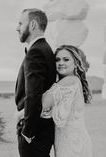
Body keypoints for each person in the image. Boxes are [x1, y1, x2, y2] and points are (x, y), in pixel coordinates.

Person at [16, 45, 93, 157]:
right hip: (69, 139)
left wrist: (19, 115)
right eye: (57, 60)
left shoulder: (69, 81)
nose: (61, 63)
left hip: (72, 142)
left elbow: (41, 104)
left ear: (76, 63)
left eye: (66, 59)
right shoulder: (74, 80)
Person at [15, 8, 56, 157]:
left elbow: (33, 94)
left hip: (35, 133)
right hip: (42, 130)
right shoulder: (45, 48)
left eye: (20, 23)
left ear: (32, 25)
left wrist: (27, 132)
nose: (17, 28)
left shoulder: (36, 52)